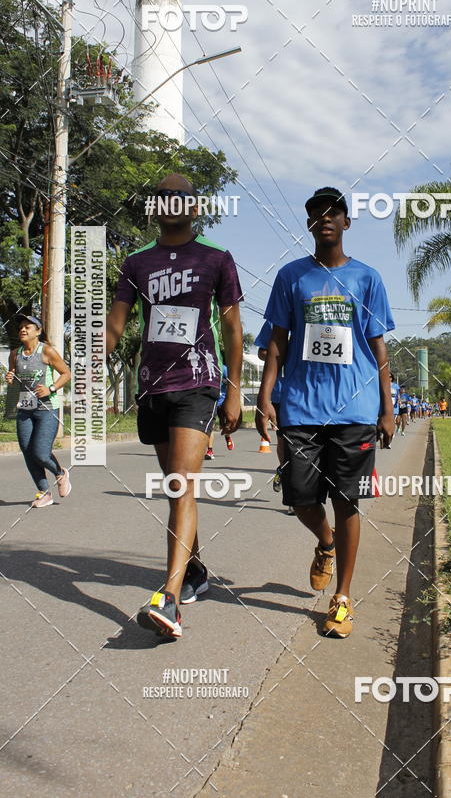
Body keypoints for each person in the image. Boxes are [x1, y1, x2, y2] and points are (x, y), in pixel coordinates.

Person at [106, 174, 243, 639]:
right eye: (162, 198)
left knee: (183, 484)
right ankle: (198, 569)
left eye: (179, 198)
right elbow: (116, 325)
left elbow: (232, 329)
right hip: (153, 387)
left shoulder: (216, 259)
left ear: (194, 207)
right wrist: (89, 357)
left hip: (198, 383)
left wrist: (235, 388)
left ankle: (169, 597)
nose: (170, 204)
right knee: (175, 489)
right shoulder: (136, 263)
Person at [256, 186, 395, 639]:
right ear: (310, 224)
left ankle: (342, 598)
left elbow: (379, 348)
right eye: (317, 214)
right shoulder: (291, 278)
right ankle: (326, 541)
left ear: (347, 222)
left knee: (347, 500)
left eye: (334, 213)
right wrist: (265, 397)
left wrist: (387, 408)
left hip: (355, 406)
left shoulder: (367, 278)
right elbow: (276, 343)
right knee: (299, 496)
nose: (325, 219)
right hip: (300, 405)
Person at [5, 315, 72, 507]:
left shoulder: (47, 351)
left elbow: (66, 373)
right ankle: (44, 493)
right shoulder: (15, 354)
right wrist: (10, 378)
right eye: (20, 328)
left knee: (40, 453)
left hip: (47, 409)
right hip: (25, 409)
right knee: (28, 452)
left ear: (38, 331)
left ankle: (60, 473)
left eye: (27, 327)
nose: (23, 330)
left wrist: (50, 389)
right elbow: (13, 378)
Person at [254, 321, 294, 513]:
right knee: (285, 442)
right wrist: (281, 353)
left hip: (307, 392)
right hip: (279, 394)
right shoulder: (275, 320)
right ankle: (288, 484)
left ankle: (290, 477)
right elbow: (261, 351)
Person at [205, 362, 234, 459]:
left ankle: (227, 436)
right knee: (210, 426)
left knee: (224, 425)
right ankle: (210, 451)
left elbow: (232, 382)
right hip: (211, 401)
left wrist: (223, 381)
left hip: (222, 401)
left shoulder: (224, 368)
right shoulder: (206, 366)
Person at [387, 373, 400, 446]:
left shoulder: (396, 386)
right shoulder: (384, 384)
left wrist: (398, 400)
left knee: (392, 422)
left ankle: (390, 440)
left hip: (394, 407)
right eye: (387, 377)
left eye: (390, 377)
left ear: (392, 378)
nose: (388, 378)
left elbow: (398, 395)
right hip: (385, 407)